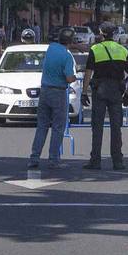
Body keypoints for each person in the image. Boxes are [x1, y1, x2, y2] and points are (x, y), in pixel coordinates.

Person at [82, 23, 128, 171]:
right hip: (116, 92)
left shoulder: (95, 49)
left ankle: (95, 161)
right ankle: (117, 162)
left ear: (100, 33)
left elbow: (88, 73)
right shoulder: (122, 50)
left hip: (100, 91)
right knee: (116, 127)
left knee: (97, 127)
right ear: (114, 34)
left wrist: (84, 92)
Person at [28, 26, 78, 170]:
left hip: (44, 91)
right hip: (58, 92)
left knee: (42, 126)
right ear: (71, 40)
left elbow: (61, 47)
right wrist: (74, 76)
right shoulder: (67, 56)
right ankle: (53, 159)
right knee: (57, 127)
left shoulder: (51, 48)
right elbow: (69, 78)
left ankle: (34, 158)